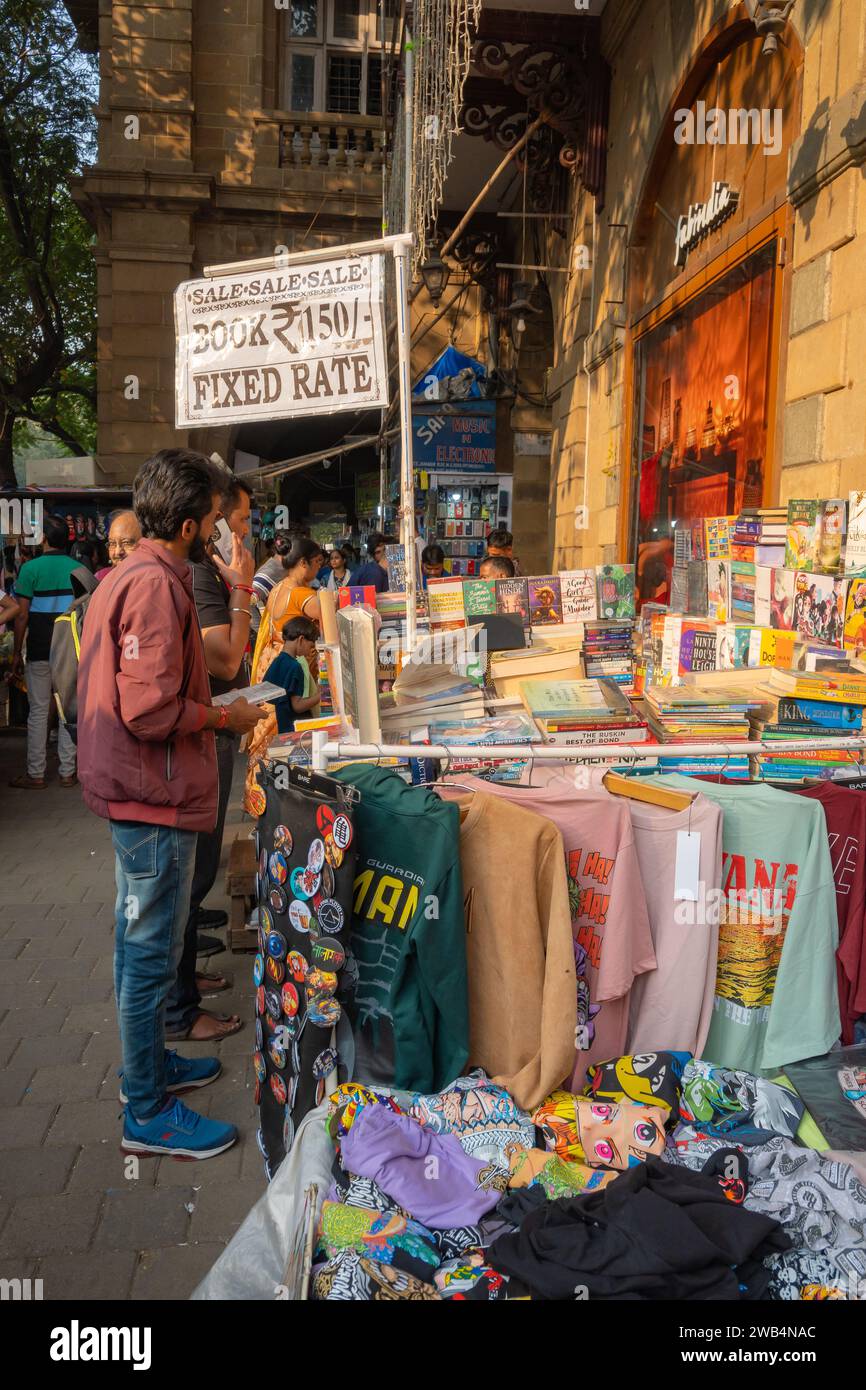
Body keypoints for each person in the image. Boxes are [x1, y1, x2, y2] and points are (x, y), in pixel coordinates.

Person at [77, 448, 267, 1159]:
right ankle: (145, 1110)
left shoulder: (135, 575)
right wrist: (226, 718)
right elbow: (151, 708)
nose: (219, 534)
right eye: (215, 522)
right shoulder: (156, 585)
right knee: (149, 953)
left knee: (140, 947)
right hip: (151, 797)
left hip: (136, 792)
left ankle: (150, 1073)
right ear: (189, 525)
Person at [165, 470, 255, 1043]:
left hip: (203, 733)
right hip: (194, 742)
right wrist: (242, 587)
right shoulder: (192, 574)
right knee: (186, 876)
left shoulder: (191, 572)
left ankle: (180, 990)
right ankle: (174, 1011)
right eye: (239, 519)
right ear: (207, 518)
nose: (243, 533)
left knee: (192, 875)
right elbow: (224, 660)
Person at [9, 513, 81, 790]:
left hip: (39, 648)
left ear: (45, 539)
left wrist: (17, 652)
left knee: (38, 712)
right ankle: (67, 772)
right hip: (68, 651)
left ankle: (36, 774)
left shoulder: (30, 569)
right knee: (67, 710)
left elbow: (22, 617)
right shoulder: (77, 568)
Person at [264, 617, 321, 734]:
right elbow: (297, 706)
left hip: (284, 727)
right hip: (296, 730)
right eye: (310, 646)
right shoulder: (295, 666)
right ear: (301, 639)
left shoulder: (278, 660)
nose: (311, 650)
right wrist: (320, 696)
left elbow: (268, 693)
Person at [96, 509, 141, 581]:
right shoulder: (101, 578)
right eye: (112, 543)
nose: (117, 552)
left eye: (126, 543)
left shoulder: (153, 581)